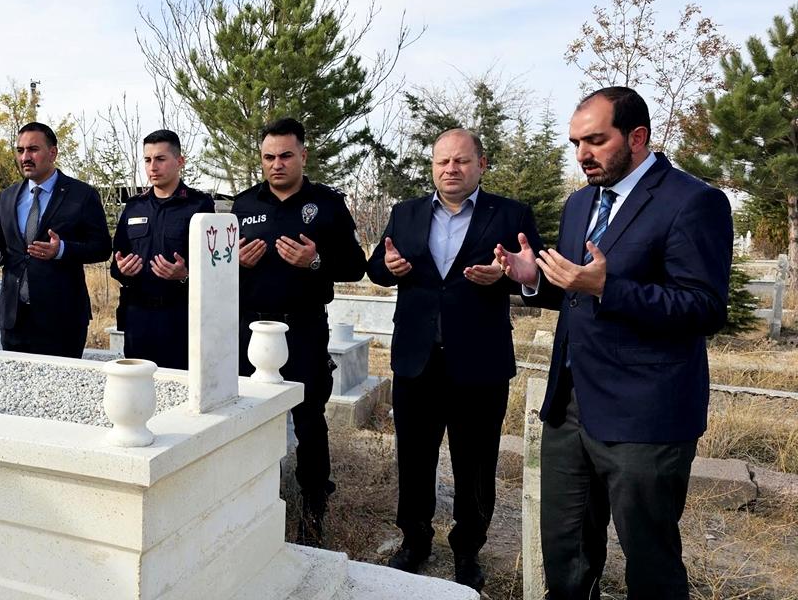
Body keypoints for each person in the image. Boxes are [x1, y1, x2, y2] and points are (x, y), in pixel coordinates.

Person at [497, 87, 732, 600]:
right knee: (566, 556)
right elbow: (577, 293)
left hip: (644, 417)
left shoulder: (693, 201)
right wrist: (533, 279)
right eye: (576, 143)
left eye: (596, 141)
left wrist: (608, 287)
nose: (582, 154)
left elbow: (705, 308)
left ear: (637, 137)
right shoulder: (581, 202)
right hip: (570, 408)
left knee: (649, 561)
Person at [367, 128, 543, 591]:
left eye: (461, 161)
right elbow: (377, 267)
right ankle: (415, 541)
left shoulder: (511, 215)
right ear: (433, 166)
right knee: (414, 458)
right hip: (417, 360)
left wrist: (507, 277)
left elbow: (536, 274)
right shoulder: (405, 213)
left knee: (476, 463)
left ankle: (468, 549)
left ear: (481, 164)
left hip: (479, 363)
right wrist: (390, 268)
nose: (451, 169)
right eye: (442, 161)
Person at [232, 117, 366, 546]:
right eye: (269, 157)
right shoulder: (242, 204)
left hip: (303, 326)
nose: (277, 164)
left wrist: (315, 261)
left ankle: (313, 508)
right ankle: (253, 499)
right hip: (251, 328)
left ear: (303, 156)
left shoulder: (327, 203)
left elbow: (356, 266)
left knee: (308, 419)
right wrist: (236, 262)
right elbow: (219, 266)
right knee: (250, 415)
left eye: (286, 155)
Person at [0, 121, 111, 358]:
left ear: (52, 153)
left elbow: (102, 248)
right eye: (20, 150)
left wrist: (62, 250)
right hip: (14, 319)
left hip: (62, 319)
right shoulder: (7, 197)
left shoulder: (81, 195)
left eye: (33, 149)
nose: (25, 157)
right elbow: (3, 246)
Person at [110, 130, 215, 370]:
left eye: (160, 159)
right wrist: (123, 270)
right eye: (147, 160)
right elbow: (116, 263)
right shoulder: (134, 207)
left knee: (180, 383)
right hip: (138, 317)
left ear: (180, 161)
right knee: (138, 382)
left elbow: (214, 266)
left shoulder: (199, 205)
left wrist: (185, 275)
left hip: (180, 315)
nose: (153, 167)